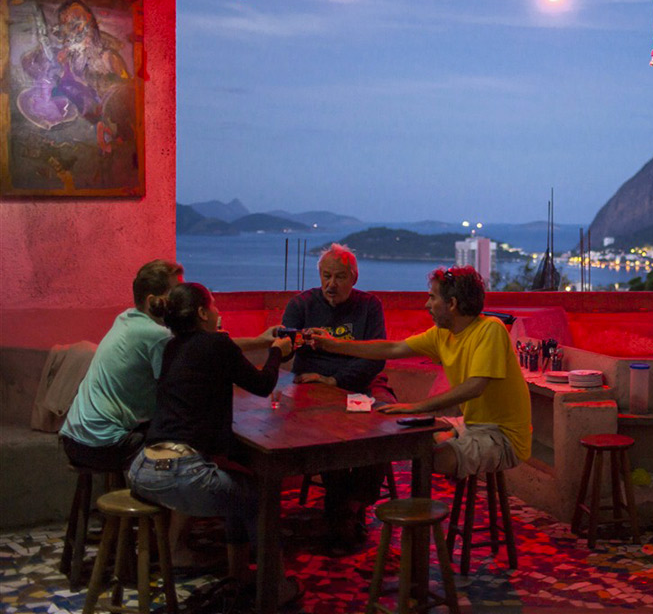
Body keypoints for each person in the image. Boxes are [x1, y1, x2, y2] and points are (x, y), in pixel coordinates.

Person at [128, 283, 303, 606]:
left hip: (143, 468)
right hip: (181, 472)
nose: (219, 312)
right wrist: (277, 351)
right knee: (261, 499)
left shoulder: (172, 347)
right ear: (202, 313)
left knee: (239, 486)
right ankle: (274, 587)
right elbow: (263, 385)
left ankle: (238, 573)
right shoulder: (217, 344)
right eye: (215, 306)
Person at [312, 266, 532, 481]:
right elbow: (392, 348)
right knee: (402, 437)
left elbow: (475, 386)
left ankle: (424, 515)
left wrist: (415, 407)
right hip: (469, 424)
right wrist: (335, 345)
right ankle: (355, 504)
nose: (427, 305)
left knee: (427, 459)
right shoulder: (442, 334)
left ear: (452, 304)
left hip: (502, 436)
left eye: (432, 297)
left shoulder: (490, 329)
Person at [282, 243, 395, 552]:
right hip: (314, 387)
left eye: (340, 277)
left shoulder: (369, 305)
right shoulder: (302, 305)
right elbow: (285, 349)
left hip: (361, 382)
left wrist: (335, 379)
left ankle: (352, 504)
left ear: (353, 278)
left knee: (383, 427)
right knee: (326, 434)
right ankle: (344, 511)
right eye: (326, 276)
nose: (332, 285)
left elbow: (376, 357)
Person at [60, 259, 184, 472]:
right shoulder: (156, 335)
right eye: (174, 294)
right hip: (103, 445)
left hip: (73, 440)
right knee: (183, 452)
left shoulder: (126, 318)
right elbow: (175, 392)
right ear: (153, 300)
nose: (181, 301)